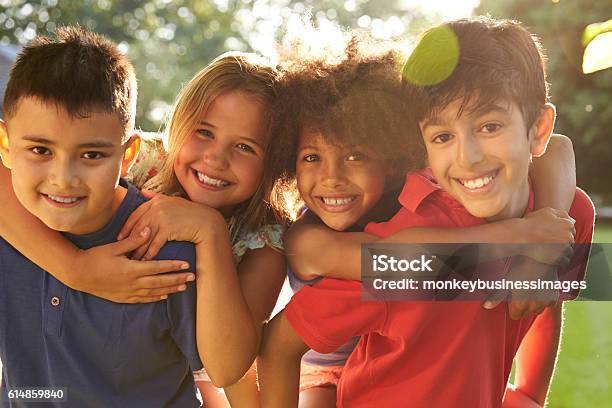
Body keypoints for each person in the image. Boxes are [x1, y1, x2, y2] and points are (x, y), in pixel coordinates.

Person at [259, 18, 593, 408]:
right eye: (443, 137)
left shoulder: (563, 215)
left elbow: (542, 303)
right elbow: (280, 345)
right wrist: (519, 239)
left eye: (489, 126)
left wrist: (531, 396)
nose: (467, 157)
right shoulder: (392, 245)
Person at [0, 47, 291, 406]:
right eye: (203, 132)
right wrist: (75, 270)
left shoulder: (264, 237)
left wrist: (210, 231)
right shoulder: (146, 160)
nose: (215, 159)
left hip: (194, 356)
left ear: (274, 162)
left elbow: (229, 369)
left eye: (245, 147)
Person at [0, 27, 202, 406]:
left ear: (127, 155)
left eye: (91, 155)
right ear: (6, 145)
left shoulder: (165, 252)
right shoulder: (7, 234)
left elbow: (222, 371)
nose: (63, 179)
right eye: (41, 150)